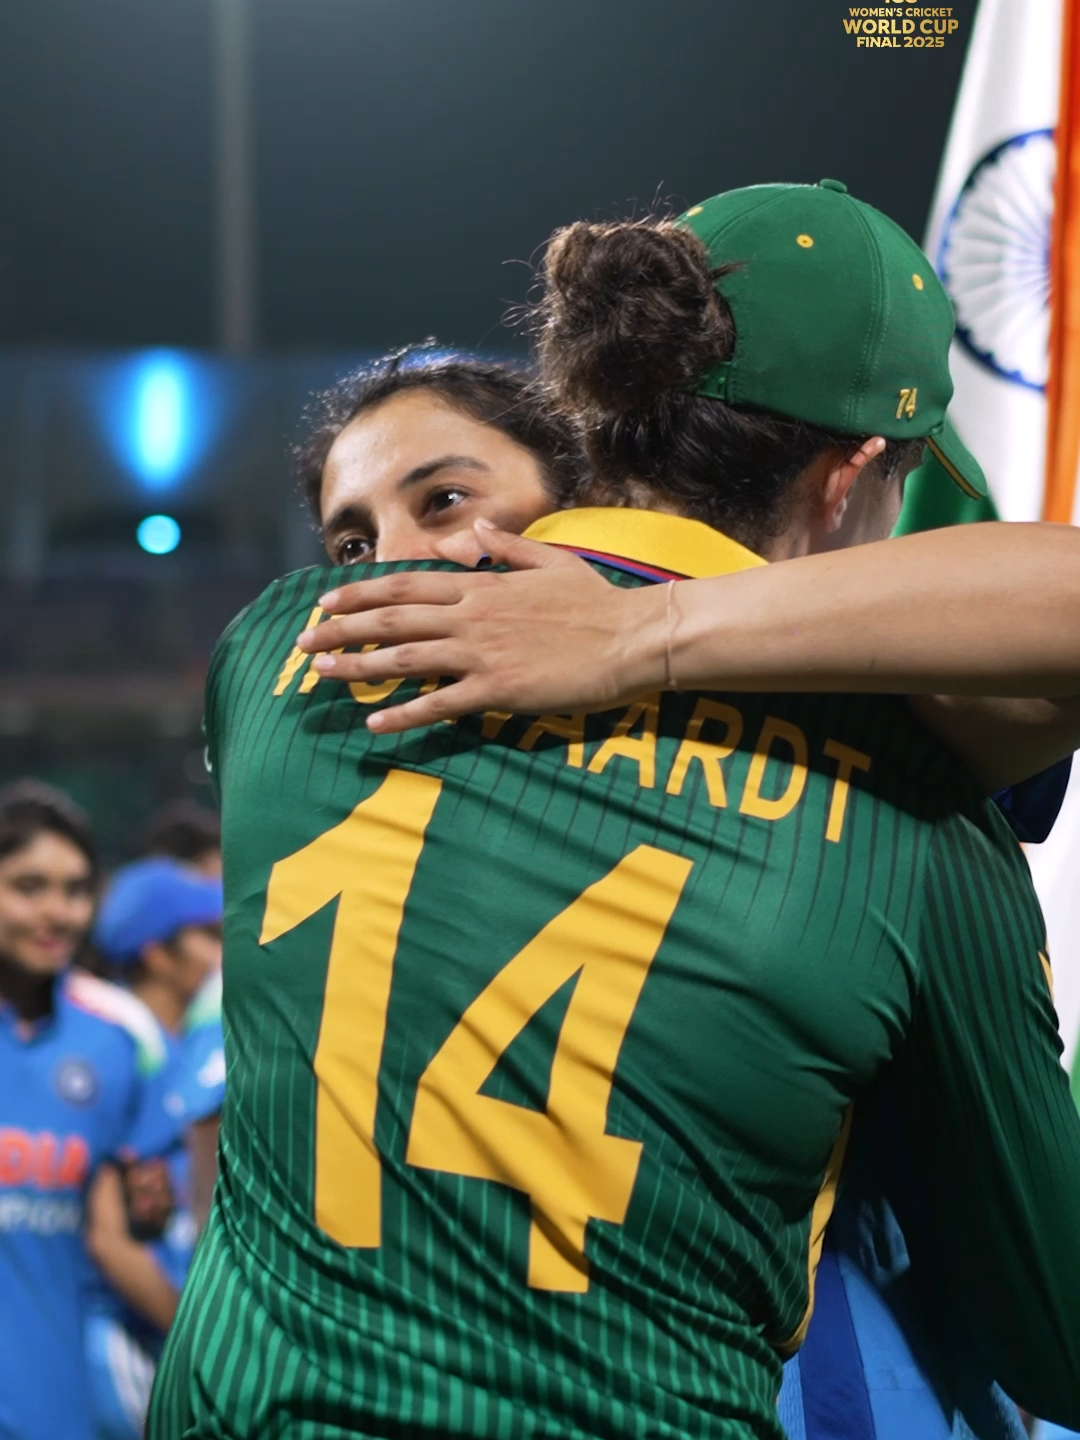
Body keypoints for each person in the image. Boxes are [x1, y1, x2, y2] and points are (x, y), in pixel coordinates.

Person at [149, 181, 1080, 1440]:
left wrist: (645, 621)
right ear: (862, 474)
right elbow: (1057, 1328)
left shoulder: (279, 658)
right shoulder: (914, 816)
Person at [0, 781, 175, 1440]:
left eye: (75, 890)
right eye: (29, 886)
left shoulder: (122, 1037)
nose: (58, 912)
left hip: (62, 1410)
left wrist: (149, 1209)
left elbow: (143, 1230)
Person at [86, 857, 224, 1440]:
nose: (224, 950)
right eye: (209, 934)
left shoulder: (179, 1044)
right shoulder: (115, 1046)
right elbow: (107, 1238)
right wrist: (197, 1350)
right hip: (125, 1344)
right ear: (156, 955)